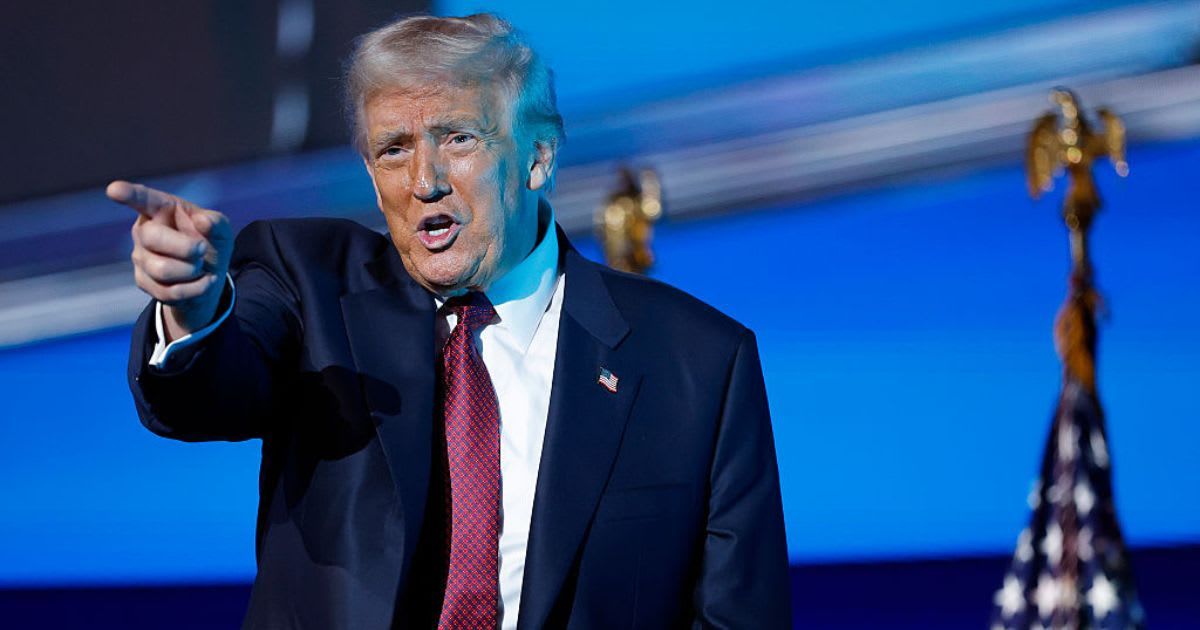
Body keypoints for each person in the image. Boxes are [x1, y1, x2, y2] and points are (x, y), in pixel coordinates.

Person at [112, 13, 789, 629]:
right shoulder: (308, 285)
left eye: (458, 138)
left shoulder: (697, 362)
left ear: (537, 157)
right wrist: (193, 307)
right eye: (393, 150)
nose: (424, 181)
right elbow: (210, 390)